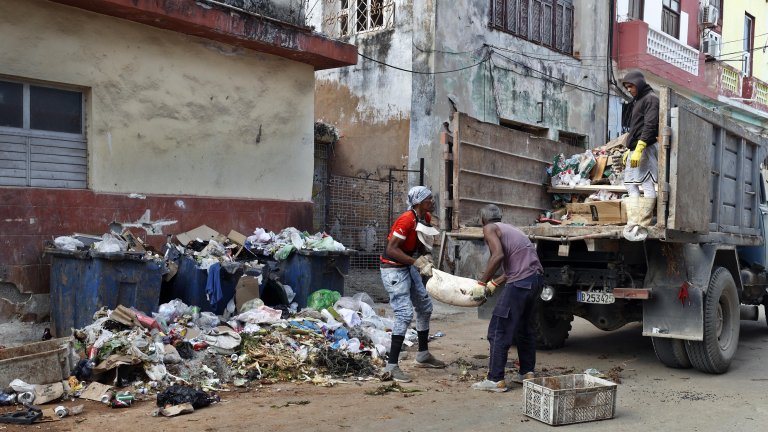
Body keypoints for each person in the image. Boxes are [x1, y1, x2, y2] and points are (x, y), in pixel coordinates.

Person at [471, 204, 543, 392]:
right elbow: (516, 264)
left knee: (497, 330)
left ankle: (495, 380)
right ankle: (527, 373)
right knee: (524, 328)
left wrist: (481, 283)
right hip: (536, 280)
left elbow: (498, 256)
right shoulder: (511, 229)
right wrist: (495, 282)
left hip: (520, 283)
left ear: (482, 220)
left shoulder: (489, 228)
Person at [379, 186, 446, 382]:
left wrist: (426, 256)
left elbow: (420, 243)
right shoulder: (406, 219)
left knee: (425, 307)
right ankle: (391, 366)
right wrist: (416, 263)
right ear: (418, 202)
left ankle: (423, 354)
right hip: (393, 268)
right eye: (428, 199)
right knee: (404, 313)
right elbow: (391, 250)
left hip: (407, 265)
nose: (432, 201)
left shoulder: (424, 218)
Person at [621, 70, 659, 241]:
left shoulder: (651, 98)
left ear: (639, 83)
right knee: (630, 184)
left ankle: (642, 224)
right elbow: (635, 128)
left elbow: (651, 125)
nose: (629, 89)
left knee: (646, 184)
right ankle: (633, 222)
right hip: (636, 149)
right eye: (627, 87)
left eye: (631, 86)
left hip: (646, 148)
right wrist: (629, 150)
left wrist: (639, 148)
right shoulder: (638, 101)